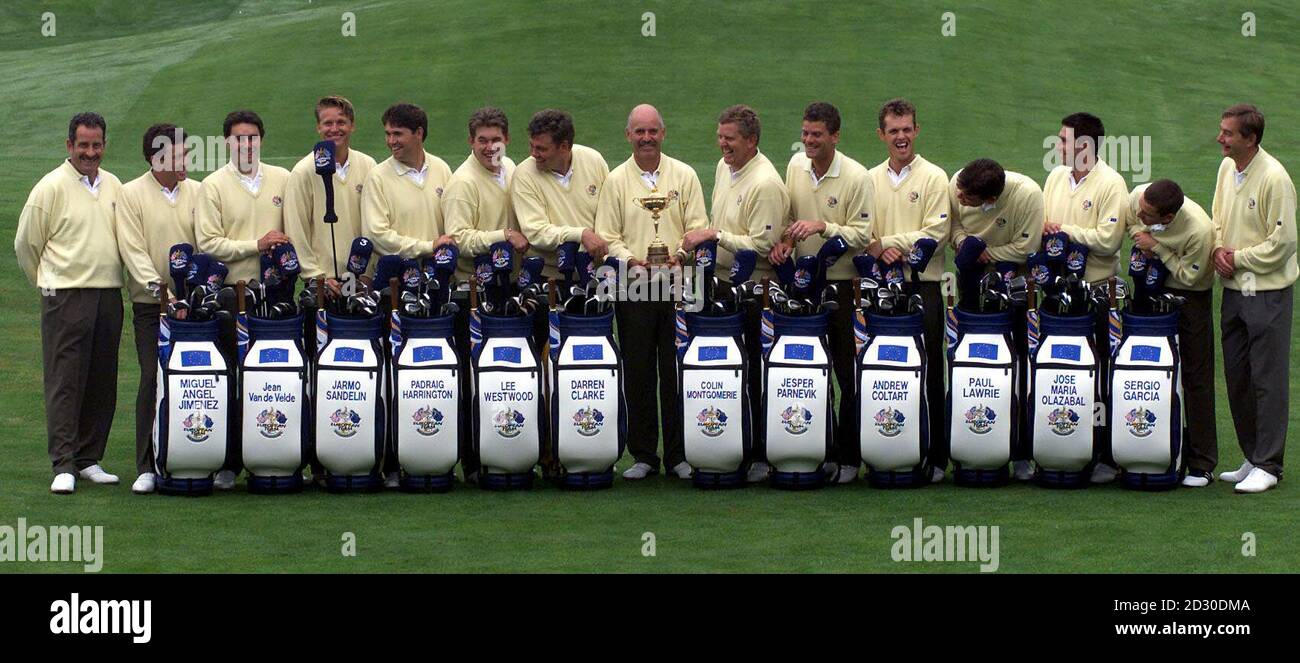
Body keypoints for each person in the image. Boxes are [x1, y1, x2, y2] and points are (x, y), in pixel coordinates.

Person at [595, 103, 708, 480]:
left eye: (652, 131)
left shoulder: (685, 175)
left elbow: (698, 226)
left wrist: (677, 254)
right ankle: (644, 454)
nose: (646, 138)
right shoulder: (615, 180)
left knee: (676, 371)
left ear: (663, 133)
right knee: (639, 370)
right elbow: (608, 236)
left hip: (681, 284)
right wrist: (631, 260)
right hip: (634, 285)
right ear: (628, 135)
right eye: (639, 132)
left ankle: (679, 455)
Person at [15, 112, 124, 494]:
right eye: (83, 145)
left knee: (101, 379)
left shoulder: (113, 185)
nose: (89, 152)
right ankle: (63, 464)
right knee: (65, 381)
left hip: (108, 294)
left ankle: (89, 458)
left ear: (104, 146)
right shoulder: (51, 187)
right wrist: (48, 282)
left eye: (96, 145)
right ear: (69, 146)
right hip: (65, 296)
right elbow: (26, 245)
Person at [681, 104, 789, 482]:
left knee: (757, 371)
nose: (722, 144)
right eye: (721, 136)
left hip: (758, 291)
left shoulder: (765, 183)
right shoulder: (725, 169)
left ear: (751, 141)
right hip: (725, 285)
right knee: (734, 371)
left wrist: (713, 236)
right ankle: (736, 443)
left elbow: (764, 243)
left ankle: (761, 453)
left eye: (730, 138)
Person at [768, 101, 874, 484]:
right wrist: (783, 242)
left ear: (835, 136)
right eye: (805, 133)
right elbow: (787, 217)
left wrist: (823, 226)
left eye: (816, 135)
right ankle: (820, 449)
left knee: (847, 372)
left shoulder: (858, 177)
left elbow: (862, 234)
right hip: (801, 283)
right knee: (811, 372)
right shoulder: (796, 166)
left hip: (843, 286)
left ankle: (849, 458)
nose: (809, 140)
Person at [196, 109, 293, 490]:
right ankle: (228, 462)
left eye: (252, 138)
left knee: (270, 381)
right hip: (230, 298)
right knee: (231, 382)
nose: (246, 144)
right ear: (227, 143)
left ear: (261, 140)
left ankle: (272, 455)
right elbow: (208, 244)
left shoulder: (283, 179)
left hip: (275, 297)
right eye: (238, 139)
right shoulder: (214, 185)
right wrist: (256, 244)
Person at [361, 102, 456, 487]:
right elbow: (378, 234)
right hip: (394, 290)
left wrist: (438, 251)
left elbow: (449, 229)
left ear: (418, 133)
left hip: (435, 290)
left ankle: (434, 456)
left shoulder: (443, 170)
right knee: (394, 377)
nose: (390, 141)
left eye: (397, 134)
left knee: (431, 376)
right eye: (387, 134)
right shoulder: (379, 178)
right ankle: (392, 463)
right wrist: (426, 245)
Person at [1210, 103, 1296, 494]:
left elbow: (1283, 243)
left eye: (1228, 133)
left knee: (1267, 377)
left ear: (1250, 139)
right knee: (1238, 376)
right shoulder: (1228, 168)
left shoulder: (1274, 178)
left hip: (1267, 293)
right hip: (1233, 291)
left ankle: (1269, 464)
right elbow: (1217, 217)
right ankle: (1252, 454)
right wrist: (1215, 250)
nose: (1220, 138)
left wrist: (1237, 258)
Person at [863, 98, 950, 482]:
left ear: (917, 130)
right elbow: (863, 231)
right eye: (893, 131)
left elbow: (937, 232)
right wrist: (880, 248)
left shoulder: (934, 177)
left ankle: (933, 456)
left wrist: (888, 244)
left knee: (930, 368)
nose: (901, 137)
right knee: (881, 370)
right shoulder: (868, 179)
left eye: (907, 129)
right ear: (882, 135)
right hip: (880, 286)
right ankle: (886, 447)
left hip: (924, 287)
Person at [115, 123, 203, 494]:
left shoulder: (199, 191)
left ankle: (201, 457)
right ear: (157, 158)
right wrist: (162, 292)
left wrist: (195, 292)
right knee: (153, 377)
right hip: (152, 307)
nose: (186, 160)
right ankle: (147, 465)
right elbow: (133, 251)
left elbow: (206, 243)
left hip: (196, 306)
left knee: (197, 380)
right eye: (179, 154)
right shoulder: (130, 194)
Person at [1041, 111, 1128, 483]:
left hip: (1097, 292)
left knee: (1101, 374)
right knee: (1062, 375)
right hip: (1057, 294)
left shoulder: (1112, 184)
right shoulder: (1056, 177)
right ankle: (1061, 447)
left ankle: (1106, 456)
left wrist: (1064, 232)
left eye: (1063, 141)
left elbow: (1109, 241)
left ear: (1085, 146)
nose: (1057, 146)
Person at [949, 157, 1044, 480]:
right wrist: (966, 245)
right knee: (970, 361)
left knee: (1017, 363)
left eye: (967, 198)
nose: (959, 198)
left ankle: (1019, 453)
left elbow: (1027, 247)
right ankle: (970, 447)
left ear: (990, 201)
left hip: (1014, 284)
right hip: (971, 280)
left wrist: (988, 253)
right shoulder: (958, 183)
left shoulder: (1028, 194)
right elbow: (954, 226)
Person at [443, 106, 522, 483]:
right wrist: (501, 236)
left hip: (510, 289)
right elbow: (458, 239)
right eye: (482, 140)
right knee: (474, 379)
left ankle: (511, 449)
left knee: (508, 378)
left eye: (496, 139)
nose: (490, 147)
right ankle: (474, 462)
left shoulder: (514, 171)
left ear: (506, 139)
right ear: (471, 141)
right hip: (471, 293)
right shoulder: (463, 183)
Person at [1125, 179, 1215, 487]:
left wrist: (1159, 249)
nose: (1140, 213)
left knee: (1196, 375)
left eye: (1148, 214)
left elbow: (1191, 277)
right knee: (1145, 368)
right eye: (1142, 208)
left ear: (1167, 218)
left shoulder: (1200, 230)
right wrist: (1141, 239)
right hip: (1151, 286)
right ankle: (1142, 448)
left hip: (1190, 298)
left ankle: (1202, 463)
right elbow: (1130, 223)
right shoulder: (1140, 197)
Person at [283, 95, 377, 291]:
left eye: (341, 122)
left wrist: (367, 273)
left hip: (361, 278)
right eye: (328, 123)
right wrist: (316, 277)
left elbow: (374, 225)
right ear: (318, 127)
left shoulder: (368, 165)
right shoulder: (303, 171)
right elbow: (296, 230)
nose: (335, 129)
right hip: (323, 283)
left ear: (352, 126)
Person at [511, 109, 610, 279]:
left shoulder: (594, 160)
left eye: (541, 149)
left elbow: (610, 213)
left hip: (597, 271)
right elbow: (536, 232)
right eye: (532, 146)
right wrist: (581, 234)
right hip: (550, 276)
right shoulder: (524, 175)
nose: (534, 154)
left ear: (564, 147)